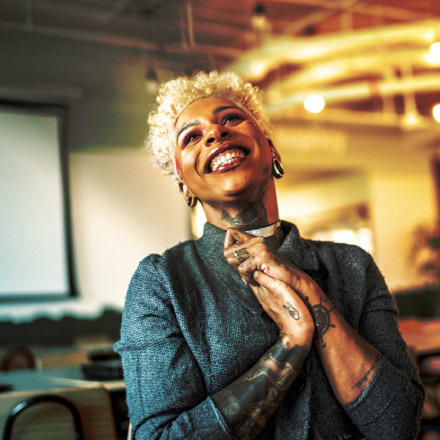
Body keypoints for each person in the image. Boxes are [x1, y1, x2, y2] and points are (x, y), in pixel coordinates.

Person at [114, 71, 424, 440]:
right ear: (182, 182)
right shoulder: (161, 283)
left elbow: (398, 426)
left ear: (271, 148)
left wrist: (310, 295)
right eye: (192, 137)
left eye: (231, 119)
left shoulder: (353, 267)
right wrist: (292, 342)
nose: (215, 133)